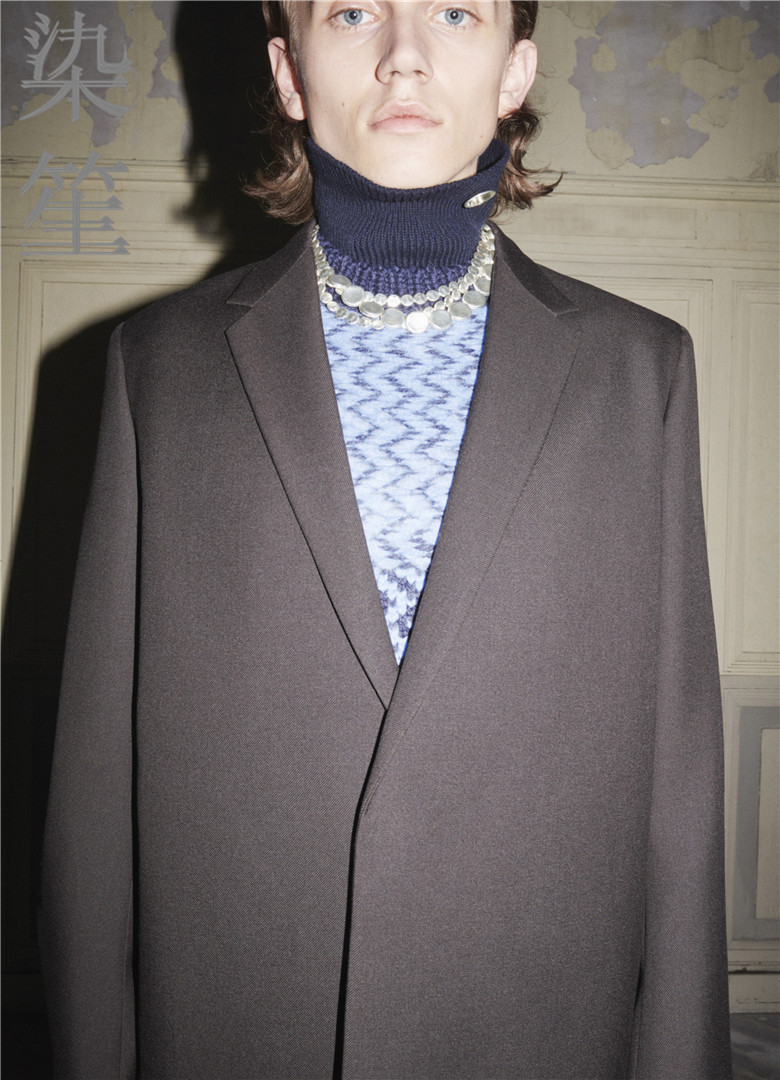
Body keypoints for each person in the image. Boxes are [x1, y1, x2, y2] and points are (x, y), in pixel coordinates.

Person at [40, 3, 733, 1078]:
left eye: (453, 11)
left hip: (538, 1030)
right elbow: (95, 786)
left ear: (515, 70)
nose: (403, 56)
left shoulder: (640, 373)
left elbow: (678, 788)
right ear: (289, 72)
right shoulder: (159, 371)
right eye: (354, 11)